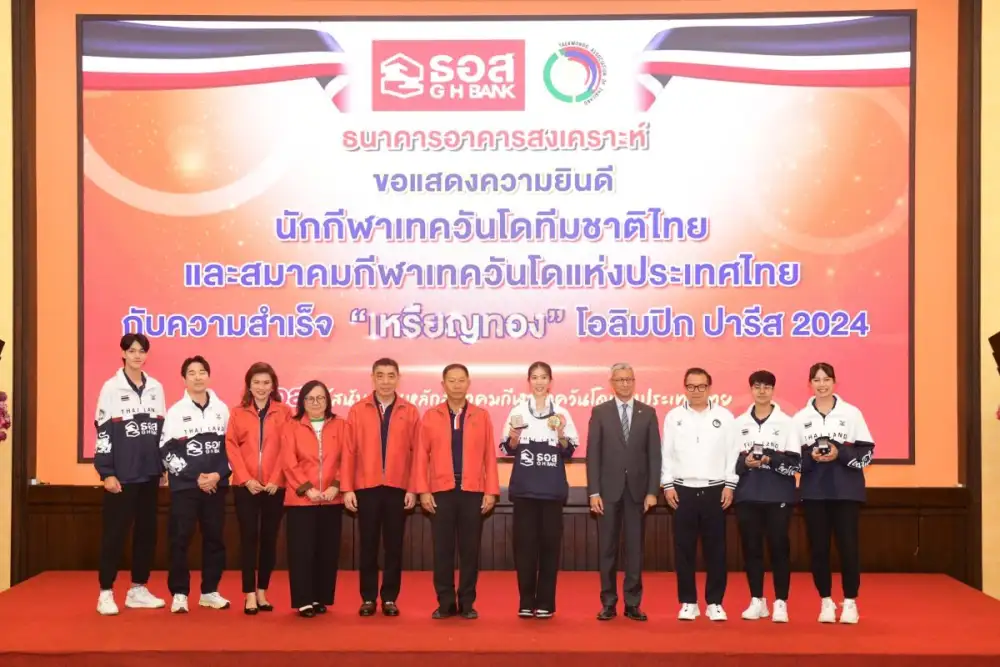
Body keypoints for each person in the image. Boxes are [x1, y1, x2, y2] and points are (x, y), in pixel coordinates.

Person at [413, 364, 500, 620]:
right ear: (443, 385)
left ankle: (467, 602)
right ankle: (445, 602)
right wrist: (423, 491)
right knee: (442, 550)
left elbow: (489, 456)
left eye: (461, 380)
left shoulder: (481, 416)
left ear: (468, 383)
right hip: (441, 492)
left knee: (470, 551)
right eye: (451, 380)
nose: (457, 385)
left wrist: (491, 491)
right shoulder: (431, 416)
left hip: (473, 491)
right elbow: (421, 457)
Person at [793, 362, 875, 625]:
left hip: (846, 492)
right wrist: (811, 457)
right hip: (814, 493)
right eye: (816, 380)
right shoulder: (800, 418)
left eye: (826, 379)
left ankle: (850, 601)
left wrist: (841, 453)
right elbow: (793, 460)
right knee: (818, 549)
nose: (822, 385)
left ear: (834, 382)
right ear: (810, 384)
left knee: (848, 548)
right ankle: (825, 601)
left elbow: (867, 452)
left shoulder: (851, 413)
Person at [94, 333, 167, 615]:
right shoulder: (111, 388)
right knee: (114, 535)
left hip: (149, 474)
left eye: (142, 351)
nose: (137, 355)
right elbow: (103, 430)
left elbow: (161, 432)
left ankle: (138, 589)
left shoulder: (156, 388)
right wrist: (106, 472)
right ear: (123, 353)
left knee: (147, 534)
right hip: (122, 476)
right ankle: (105, 592)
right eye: (132, 350)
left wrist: (162, 466)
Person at [342, 358, 420, 617]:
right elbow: (349, 451)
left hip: (398, 488)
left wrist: (413, 488)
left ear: (398, 378)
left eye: (390, 376)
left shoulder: (410, 411)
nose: (385, 381)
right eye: (380, 376)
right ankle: (367, 598)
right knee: (368, 545)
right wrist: (347, 488)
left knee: (394, 546)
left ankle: (389, 598)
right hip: (366, 487)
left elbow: (417, 454)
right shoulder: (358, 410)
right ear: (372, 378)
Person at [500, 361, 578, 619]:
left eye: (544, 377)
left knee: (550, 547)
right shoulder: (518, 411)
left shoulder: (562, 412)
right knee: (524, 548)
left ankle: (545, 602)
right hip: (524, 490)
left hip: (552, 491)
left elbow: (569, 450)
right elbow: (507, 448)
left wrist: (561, 433)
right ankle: (525, 601)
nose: (539, 382)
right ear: (529, 381)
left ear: (550, 381)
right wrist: (514, 437)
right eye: (534, 377)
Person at [586, 362, 661, 622]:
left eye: (629, 379)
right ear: (612, 383)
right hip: (607, 492)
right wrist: (593, 492)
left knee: (634, 549)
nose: (625, 384)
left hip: (638, 493)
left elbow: (654, 456)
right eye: (620, 380)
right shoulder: (600, 412)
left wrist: (652, 491)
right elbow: (593, 455)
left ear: (634, 381)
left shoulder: (648, 413)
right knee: (607, 549)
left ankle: (632, 603)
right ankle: (608, 602)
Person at [661, 367, 737, 622]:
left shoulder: (725, 417)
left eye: (701, 386)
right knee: (684, 549)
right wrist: (667, 485)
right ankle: (688, 602)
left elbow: (732, 453)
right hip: (682, 490)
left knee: (716, 549)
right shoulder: (673, 417)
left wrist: (730, 485)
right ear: (685, 388)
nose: (696, 391)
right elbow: (666, 453)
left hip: (716, 490)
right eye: (691, 386)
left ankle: (715, 602)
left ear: (709, 388)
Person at [160, 355, 232, 613]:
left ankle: (210, 591)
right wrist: (195, 477)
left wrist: (217, 475)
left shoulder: (222, 410)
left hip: (215, 487)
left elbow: (232, 449)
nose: (198, 377)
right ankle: (179, 593)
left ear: (209, 376)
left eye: (202, 372)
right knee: (180, 539)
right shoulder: (176, 412)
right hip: (185, 488)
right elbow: (166, 451)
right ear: (184, 379)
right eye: (192, 373)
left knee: (215, 539)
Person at [731, 370, 801, 623]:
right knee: (751, 549)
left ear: (773, 390)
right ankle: (756, 600)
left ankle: (781, 601)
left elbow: (795, 464)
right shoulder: (738, 423)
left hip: (778, 495)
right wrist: (746, 462)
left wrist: (770, 459)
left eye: (767, 387)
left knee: (779, 548)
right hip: (747, 496)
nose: (762, 391)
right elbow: (729, 462)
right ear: (751, 389)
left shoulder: (787, 423)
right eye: (757, 386)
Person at [224, 362, 291, 615]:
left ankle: (262, 591)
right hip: (246, 487)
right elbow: (231, 446)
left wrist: (276, 478)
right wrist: (245, 478)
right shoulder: (237, 412)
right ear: (249, 386)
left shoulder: (285, 412)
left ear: (273, 385)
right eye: (256, 382)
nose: (261, 387)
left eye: (266, 382)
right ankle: (249, 594)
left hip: (275, 487)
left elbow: (288, 447)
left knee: (269, 540)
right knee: (248, 538)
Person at [281, 380, 347, 618]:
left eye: (320, 398)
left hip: (331, 498)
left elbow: (347, 459)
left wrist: (336, 486)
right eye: (310, 398)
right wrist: (307, 489)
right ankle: (303, 600)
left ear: (328, 401)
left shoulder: (341, 425)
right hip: (301, 500)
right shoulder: (291, 426)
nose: (316, 403)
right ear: (302, 402)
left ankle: (321, 597)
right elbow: (288, 462)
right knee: (302, 551)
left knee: (327, 551)